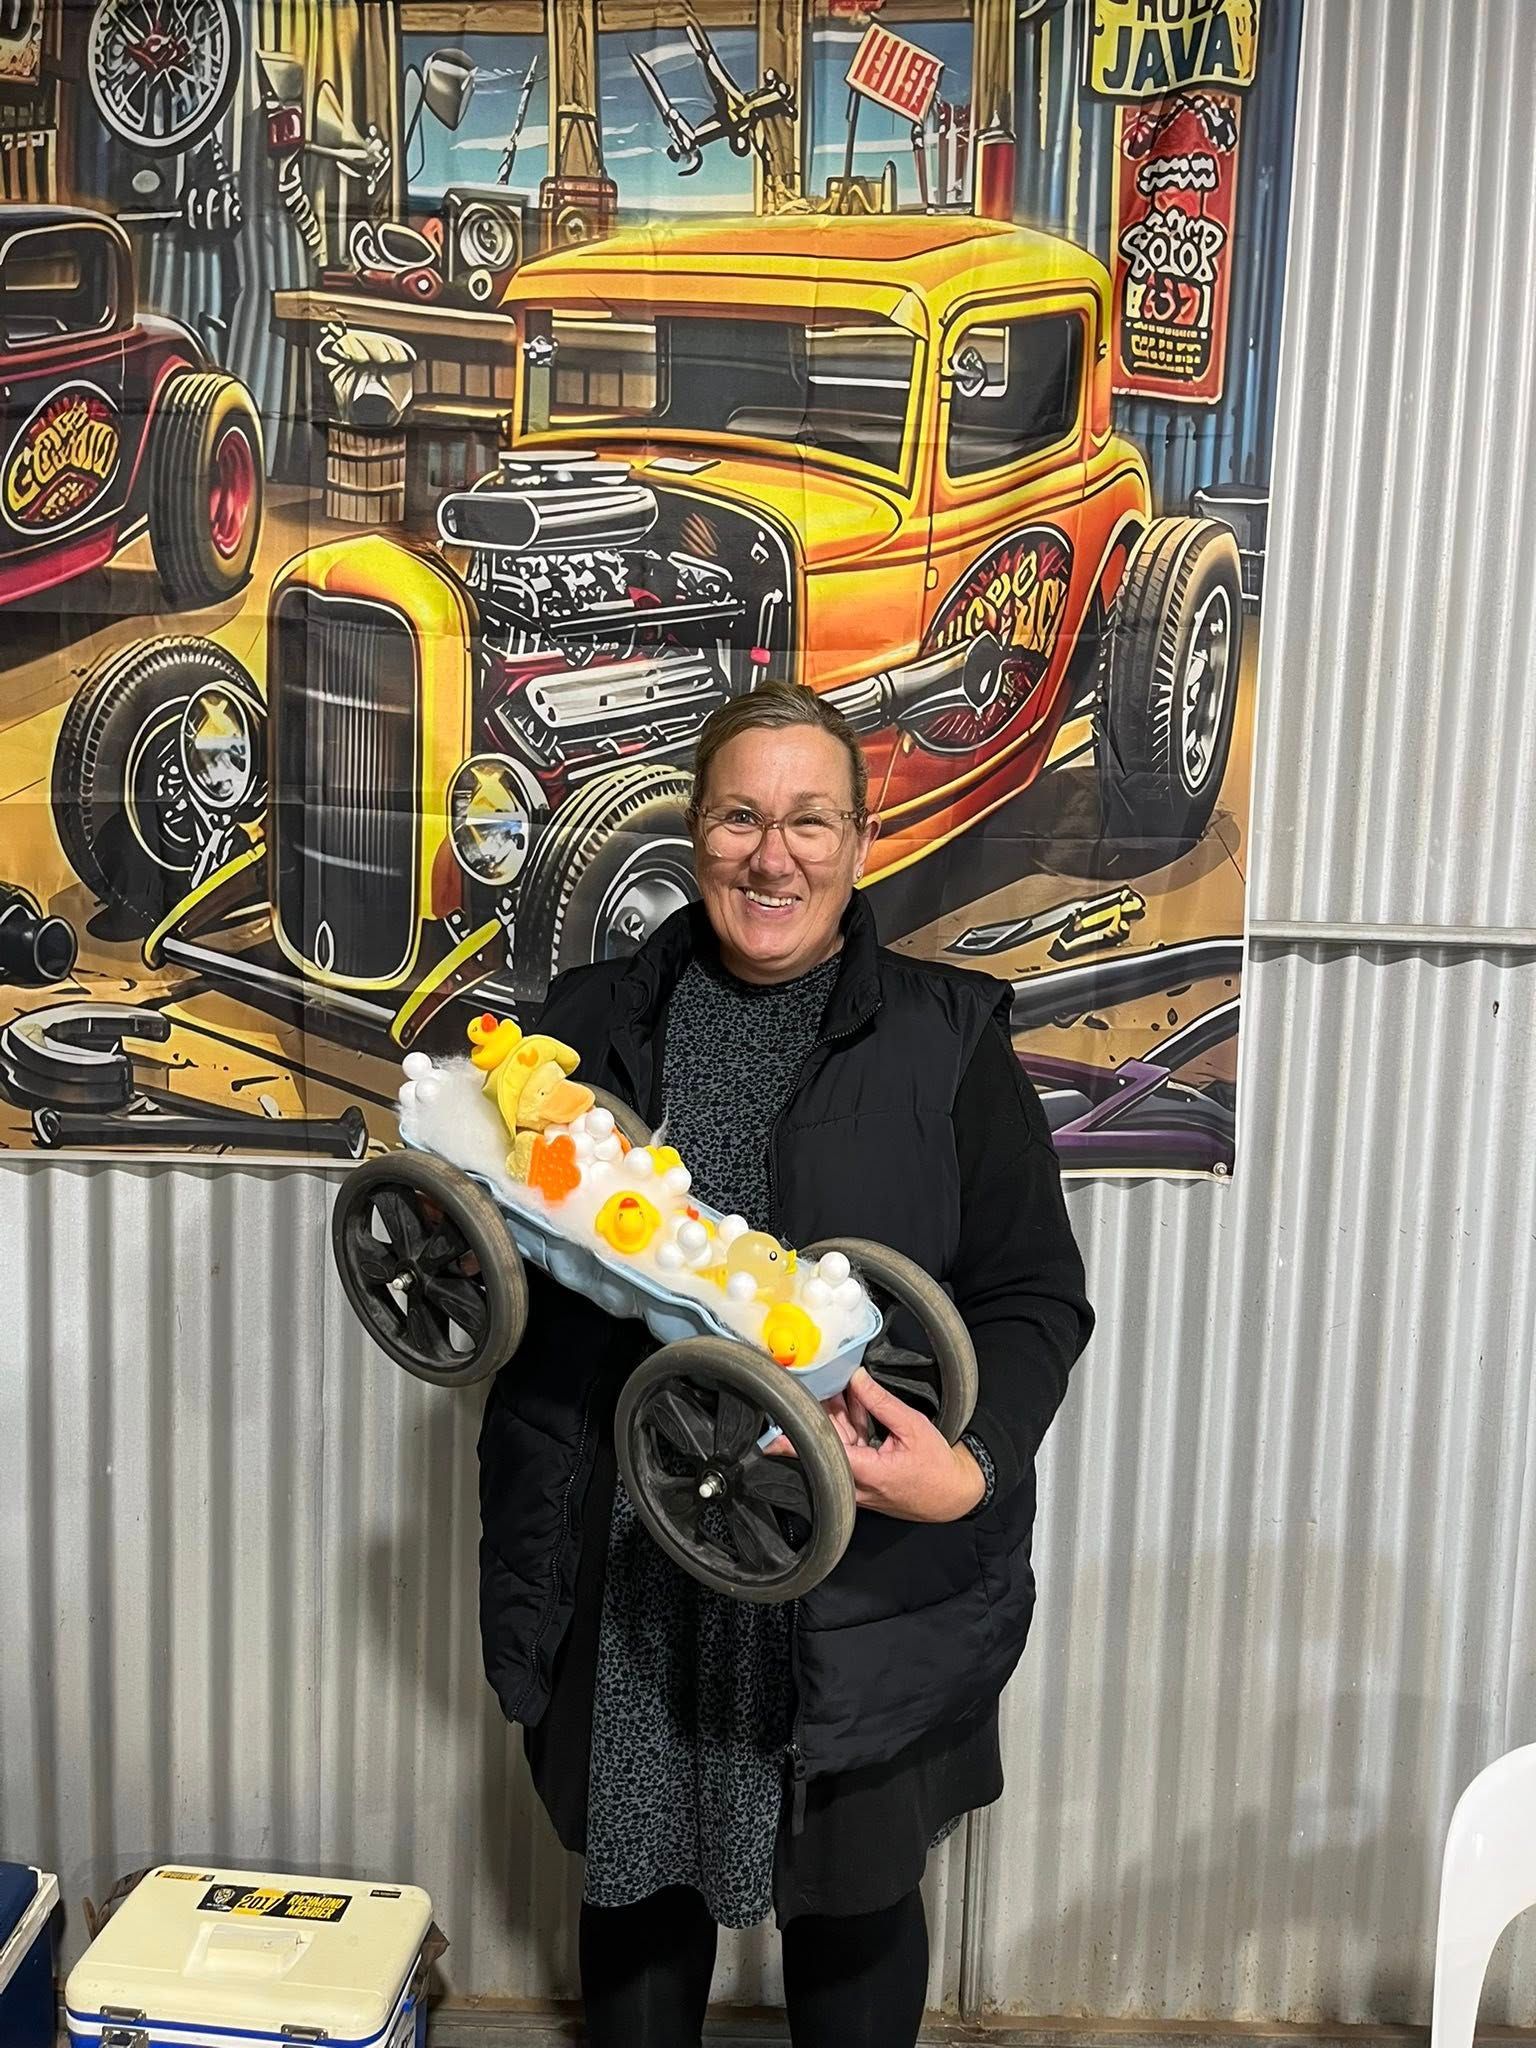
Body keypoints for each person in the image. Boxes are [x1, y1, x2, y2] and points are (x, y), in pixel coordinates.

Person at [477, 683, 1093, 2048]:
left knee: (853, 1906)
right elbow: (515, 1259)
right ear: (693, 834)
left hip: (856, 1563)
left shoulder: (950, 1039)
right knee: (639, 1888)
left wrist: (972, 1468)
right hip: (640, 1555)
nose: (775, 856)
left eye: (810, 820)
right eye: (741, 816)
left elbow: (1035, 1298)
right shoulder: (585, 1021)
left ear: (860, 842)